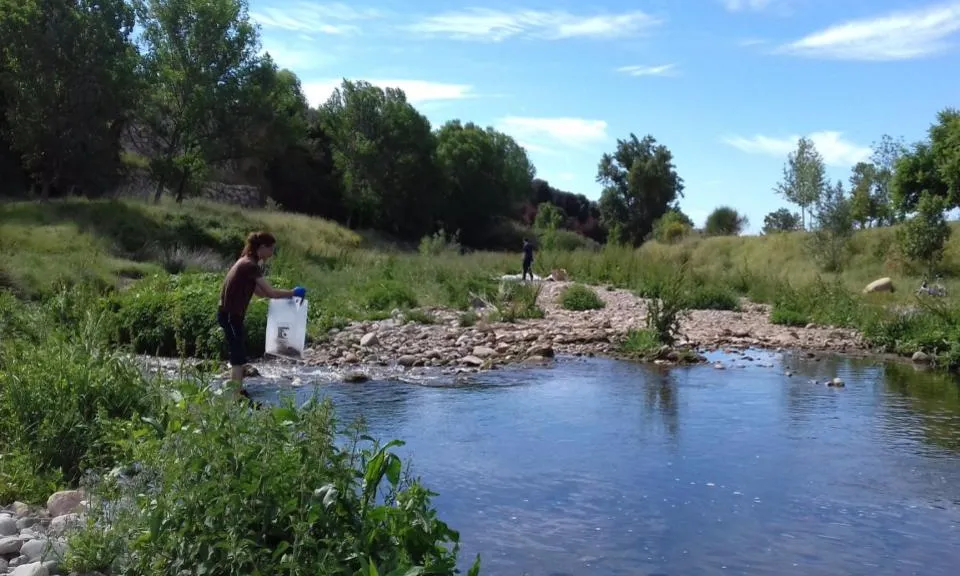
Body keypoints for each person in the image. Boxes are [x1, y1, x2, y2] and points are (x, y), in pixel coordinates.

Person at [217, 231, 305, 401]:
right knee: (237, 356)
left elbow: (259, 293)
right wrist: (292, 293)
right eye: (271, 249)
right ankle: (236, 395)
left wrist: (285, 295)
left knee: (239, 354)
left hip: (232, 315)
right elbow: (270, 292)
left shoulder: (246, 262)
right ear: (262, 247)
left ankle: (238, 392)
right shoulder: (250, 265)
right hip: (230, 315)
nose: (272, 253)